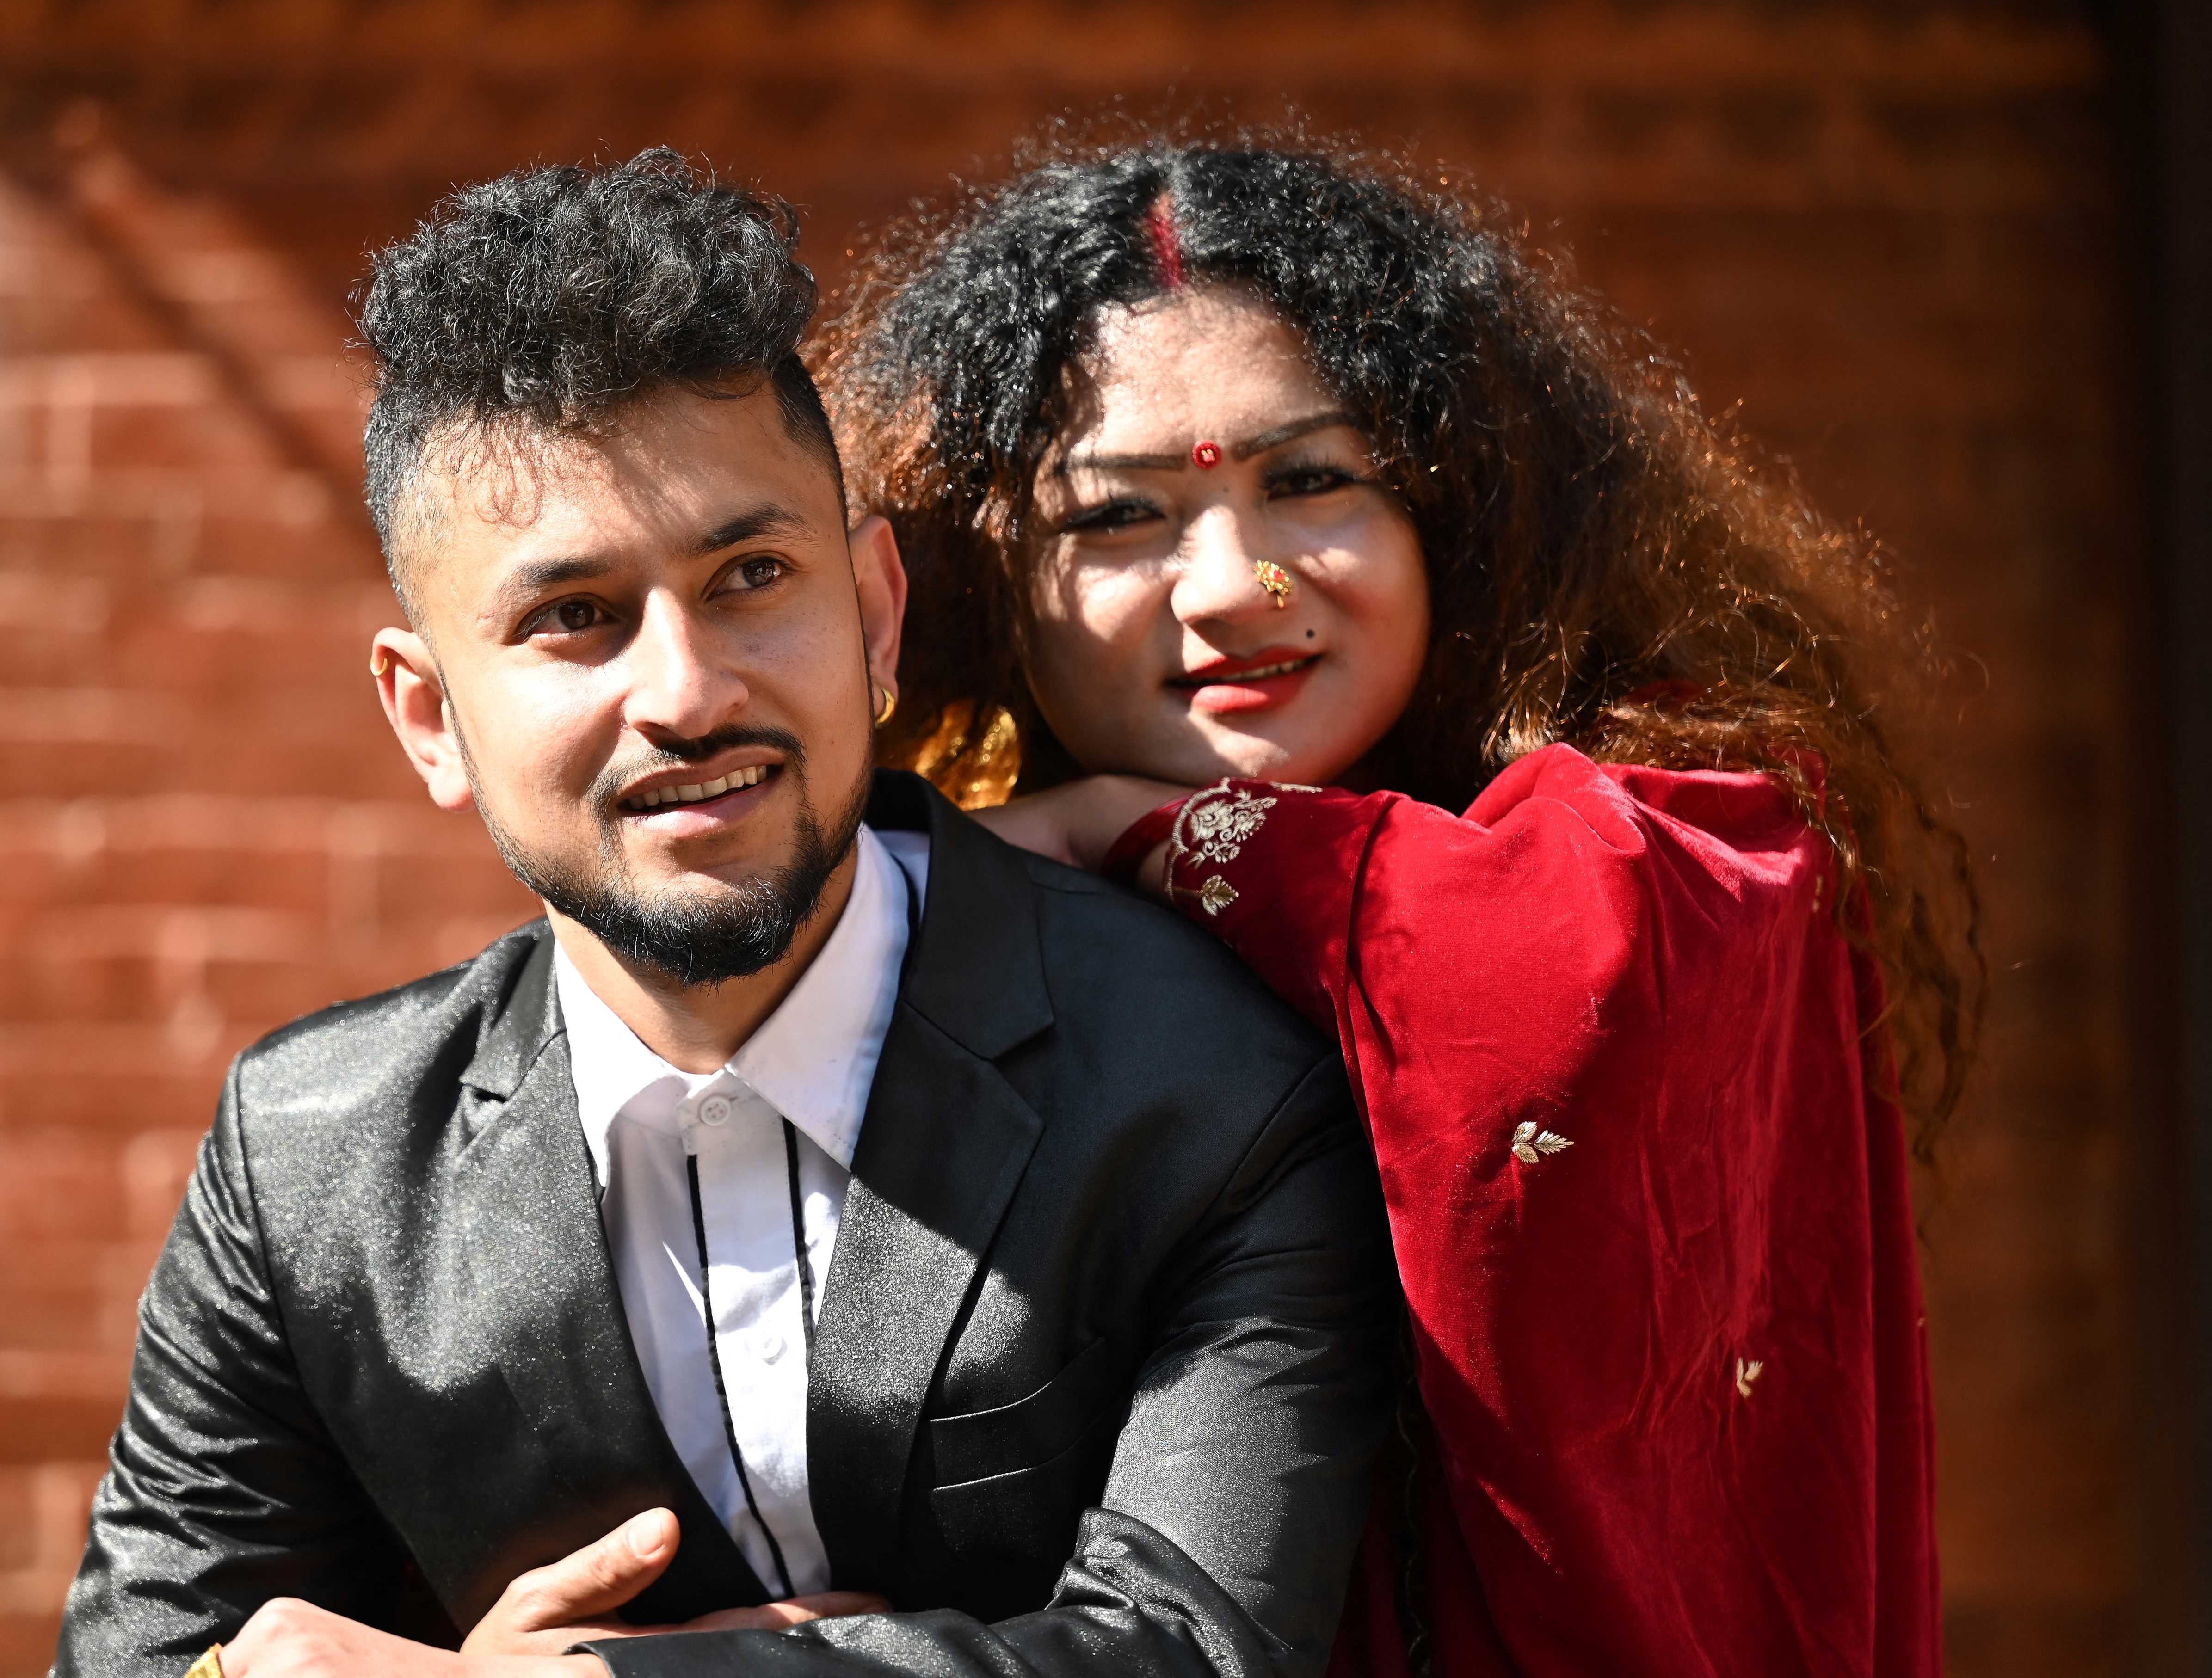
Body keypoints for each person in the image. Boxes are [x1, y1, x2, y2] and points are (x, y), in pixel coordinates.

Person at [52, 151, 1402, 1678]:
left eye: (752, 575)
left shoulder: (1211, 1085)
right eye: (576, 618)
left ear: (877, 615)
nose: (688, 694)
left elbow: (1196, 1660)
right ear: (428, 716)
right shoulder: (312, 1165)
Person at [822, 139, 1981, 1678]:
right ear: (976, 581)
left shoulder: (1708, 828)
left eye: (1312, 481)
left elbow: (1553, 969)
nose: (1230, 587)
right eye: (1114, 518)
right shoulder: (928, 917)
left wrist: (1160, 838)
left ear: (1464, 501)